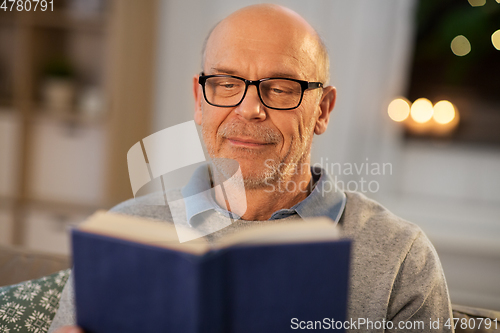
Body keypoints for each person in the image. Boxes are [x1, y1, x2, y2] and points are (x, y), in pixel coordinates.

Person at [50, 4, 453, 333]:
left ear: (322, 110)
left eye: (279, 88)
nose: (249, 109)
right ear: (199, 98)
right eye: (226, 83)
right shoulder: (122, 236)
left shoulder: (401, 258)